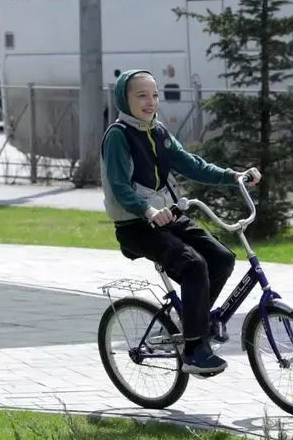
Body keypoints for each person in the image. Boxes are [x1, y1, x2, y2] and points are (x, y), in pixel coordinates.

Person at [102, 70, 260, 377]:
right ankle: (193, 350)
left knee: (222, 258)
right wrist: (148, 210)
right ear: (124, 99)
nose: (150, 102)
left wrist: (233, 176)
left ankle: (192, 323)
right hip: (136, 225)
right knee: (193, 265)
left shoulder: (158, 131)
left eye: (154, 95)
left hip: (167, 217)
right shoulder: (118, 136)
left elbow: (192, 164)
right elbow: (119, 187)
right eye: (141, 96)